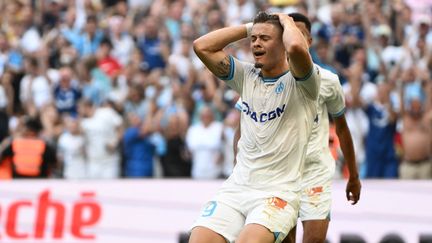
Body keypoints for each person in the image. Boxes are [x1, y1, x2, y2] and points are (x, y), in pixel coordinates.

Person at [190, 11, 320, 243]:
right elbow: (202, 46)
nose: (256, 43)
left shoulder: (304, 81)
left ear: (282, 44)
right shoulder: (246, 75)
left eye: (265, 39)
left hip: (277, 192)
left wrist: (285, 21)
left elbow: (298, 49)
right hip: (237, 188)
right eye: (254, 39)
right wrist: (254, 27)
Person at [234, 13, 361, 243]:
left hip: (314, 172)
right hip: (277, 174)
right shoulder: (262, 77)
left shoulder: (328, 81)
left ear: (308, 41)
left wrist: (354, 175)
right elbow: (244, 126)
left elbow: (342, 128)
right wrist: (240, 170)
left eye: (298, 34)